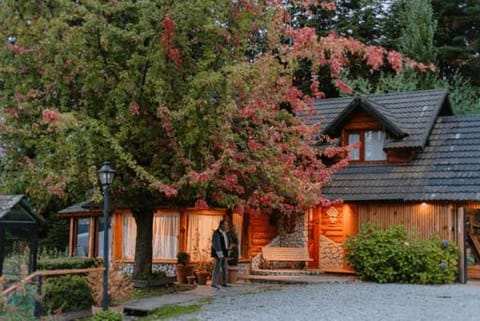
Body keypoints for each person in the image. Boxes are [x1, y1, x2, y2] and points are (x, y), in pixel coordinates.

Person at [211, 220, 229, 288]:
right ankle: (214, 283)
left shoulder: (225, 233)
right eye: (225, 224)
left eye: (226, 225)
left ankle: (224, 282)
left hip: (225, 252)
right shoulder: (217, 233)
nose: (226, 226)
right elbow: (215, 243)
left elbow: (226, 242)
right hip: (219, 252)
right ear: (221, 225)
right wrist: (219, 252)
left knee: (225, 267)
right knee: (217, 268)